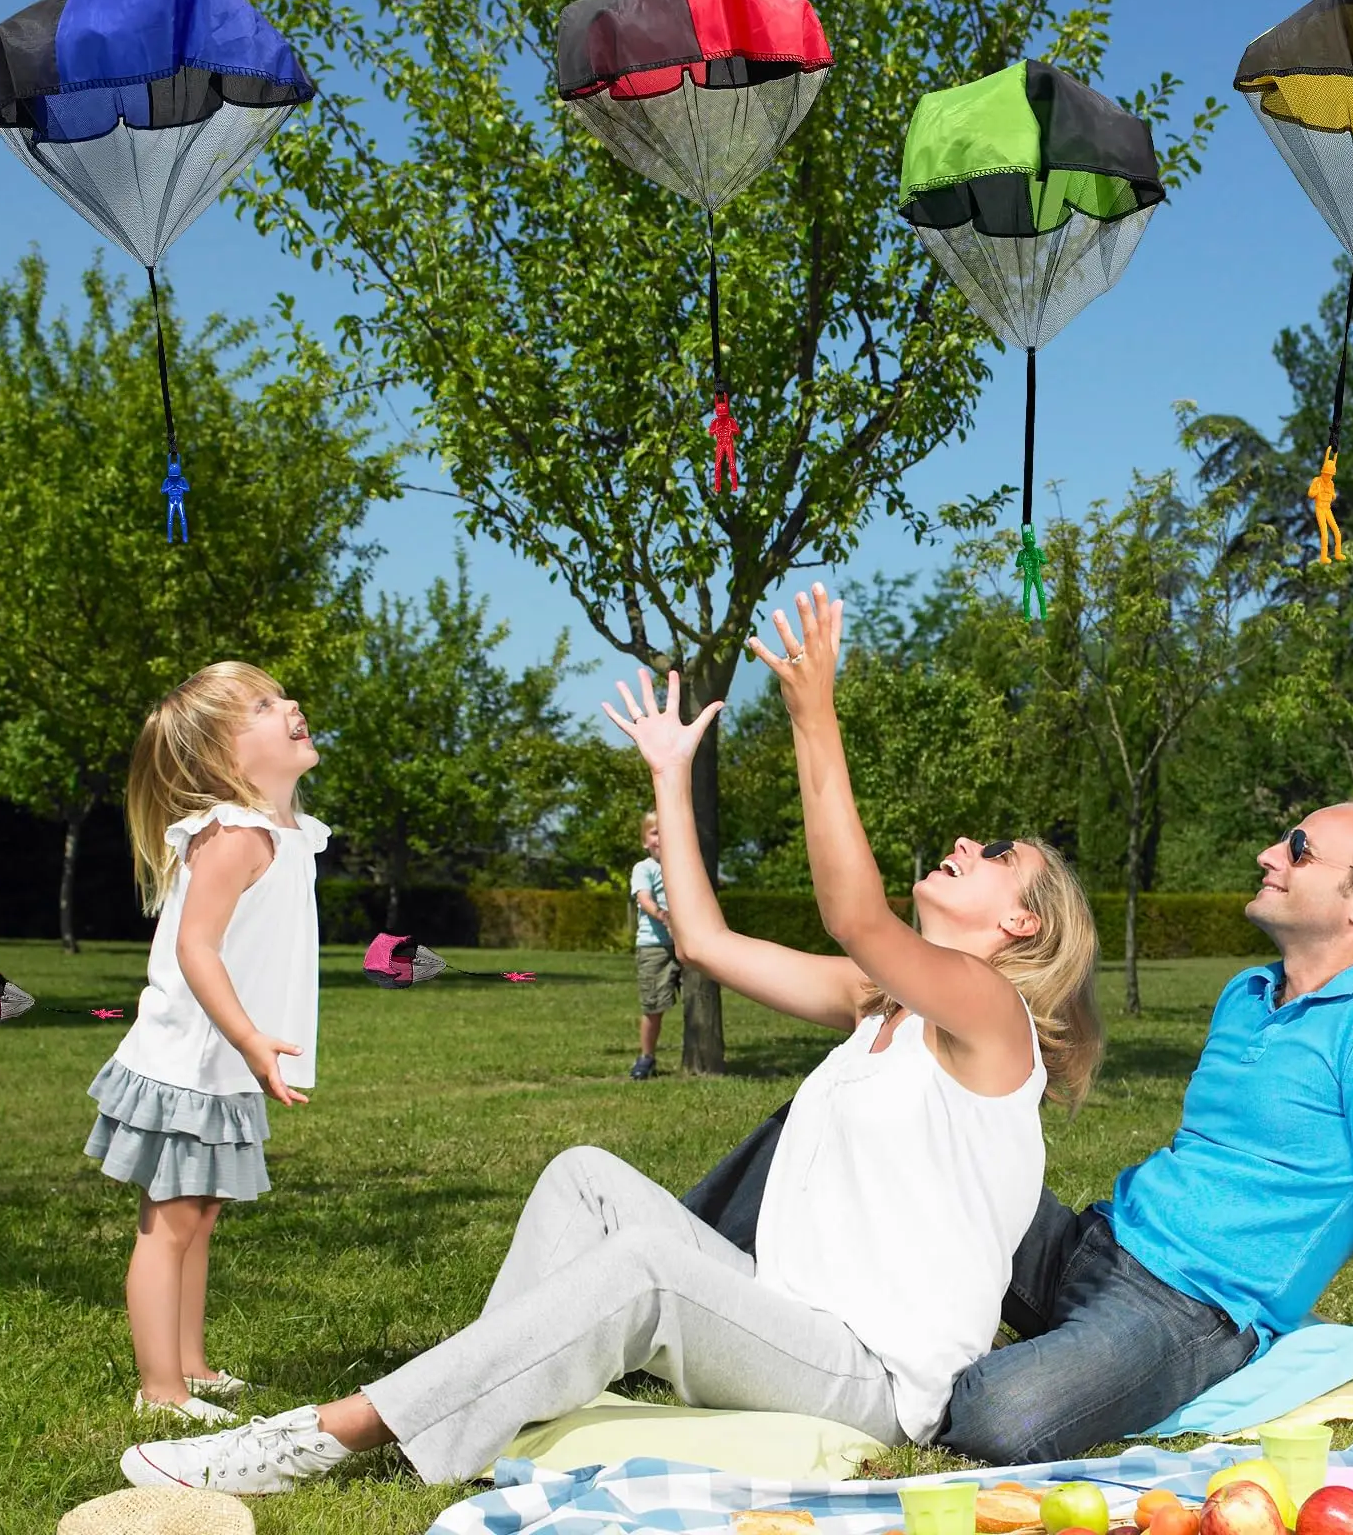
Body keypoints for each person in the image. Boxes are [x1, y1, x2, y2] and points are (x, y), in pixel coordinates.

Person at [118, 583, 1102, 1494]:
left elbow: (855, 915)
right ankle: (474, 1396)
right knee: (586, 1176)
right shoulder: (876, 1004)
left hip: (870, 1378)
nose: (967, 845)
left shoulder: (987, 1015)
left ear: (1022, 924)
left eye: (997, 855)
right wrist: (671, 775)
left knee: (646, 1267)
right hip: (781, 1310)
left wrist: (814, 714)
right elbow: (704, 941)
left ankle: (316, 1440)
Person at [684, 798, 1353, 1457]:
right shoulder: (1246, 994)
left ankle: (819, 1360)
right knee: (849, 1115)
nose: (1269, 853)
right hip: (1092, 1242)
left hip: (1188, 1312)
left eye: (1299, 849)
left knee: (996, 1416)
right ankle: (687, 1273)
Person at [85, 662, 329, 1425]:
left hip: (223, 1065)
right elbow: (197, 948)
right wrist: (252, 1037)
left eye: (280, 694)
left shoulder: (285, 834)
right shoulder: (236, 836)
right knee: (171, 1225)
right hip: (189, 1063)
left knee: (202, 1214)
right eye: (262, 704)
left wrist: (255, 1047)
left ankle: (192, 1366)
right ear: (226, 759)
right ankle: (161, 1391)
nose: (289, 704)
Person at [628, 808, 679, 1080]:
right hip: (654, 946)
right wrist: (663, 915)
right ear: (645, 841)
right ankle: (646, 1057)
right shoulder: (644, 868)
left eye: (667, 832)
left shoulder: (683, 866)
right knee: (654, 1006)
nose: (661, 838)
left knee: (697, 1000)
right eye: (655, 832)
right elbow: (644, 899)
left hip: (686, 945)